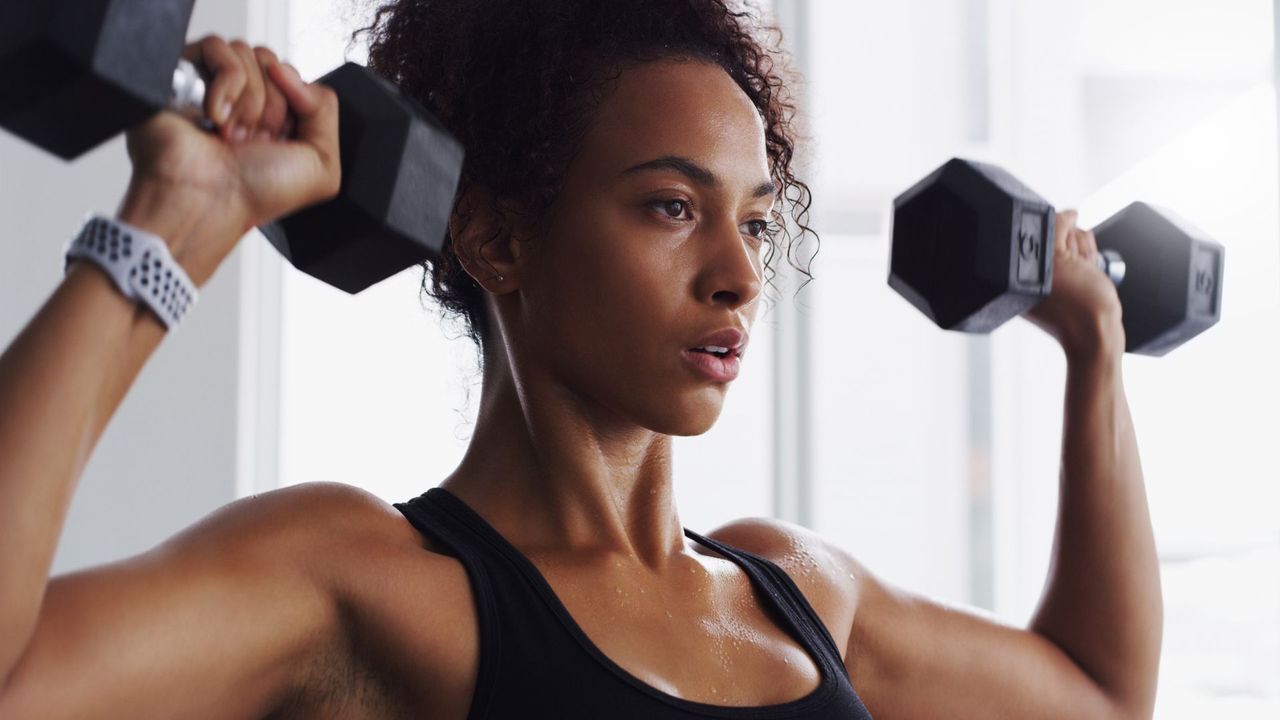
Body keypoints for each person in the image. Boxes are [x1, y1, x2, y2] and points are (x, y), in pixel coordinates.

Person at [0, 1, 1161, 718]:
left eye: (752, 221)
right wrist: (174, 222)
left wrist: (1092, 341)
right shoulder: (368, 585)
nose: (739, 275)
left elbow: (1100, 699)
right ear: (494, 236)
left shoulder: (796, 595)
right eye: (669, 206)